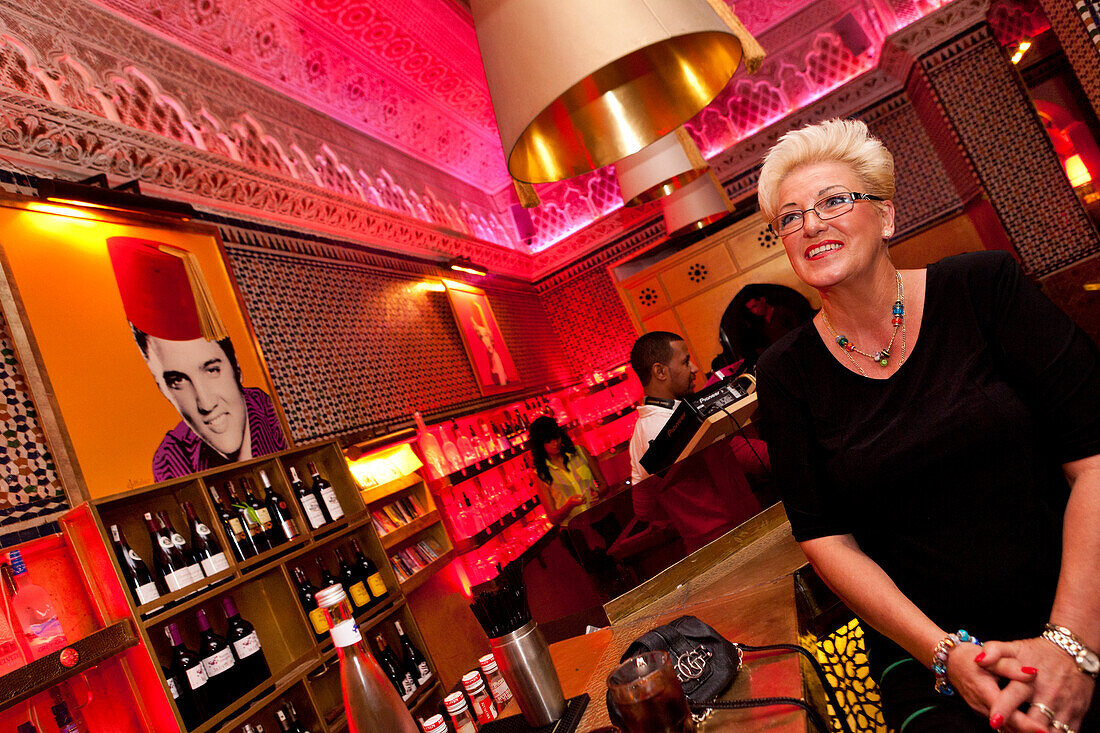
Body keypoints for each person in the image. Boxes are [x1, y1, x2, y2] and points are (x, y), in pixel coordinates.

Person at [754, 119, 1100, 732]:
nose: (810, 224)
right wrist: (944, 653)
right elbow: (826, 539)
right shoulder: (786, 374)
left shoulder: (982, 288)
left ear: (885, 217)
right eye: (789, 216)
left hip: (1080, 599)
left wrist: (1069, 642)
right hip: (929, 651)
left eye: (833, 201)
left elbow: (1094, 457)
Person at [107, 237, 288, 482]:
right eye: (178, 380)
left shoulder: (266, 410)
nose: (205, 403)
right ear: (163, 390)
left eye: (212, 370)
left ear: (236, 368)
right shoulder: (171, 459)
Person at [628, 332, 763, 553]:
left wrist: (684, 518)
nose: (694, 368)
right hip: (730, 541)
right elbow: (739, 453)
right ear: (659, 371)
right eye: (685, 362)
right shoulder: (670, 423)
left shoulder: (639, 435)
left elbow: (643, 508)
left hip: (710, 543)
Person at [528, 416, 604, 526]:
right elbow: (553, 518)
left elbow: (604, 485)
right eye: (549, 441)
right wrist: (569, 505)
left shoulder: (580, 452)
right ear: (540, 445)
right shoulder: (540, 474)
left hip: (601, 517)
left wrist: (598, 493)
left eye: (557, 438)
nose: (555, 444)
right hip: (576, 529)